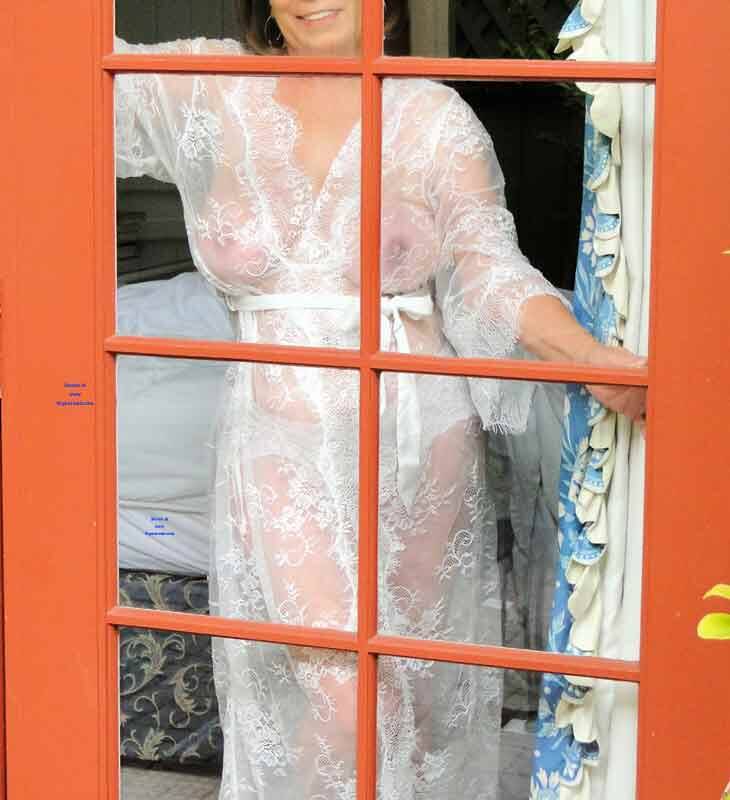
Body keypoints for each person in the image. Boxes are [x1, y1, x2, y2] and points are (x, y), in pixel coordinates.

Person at [115, 2, 646, 797]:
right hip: (278, 440)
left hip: (418, 440)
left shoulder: (432, 115)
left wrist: (587, 356)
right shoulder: (209, 88)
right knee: (344, 693)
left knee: (414, 696)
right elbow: (54, 70)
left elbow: (487, 269)